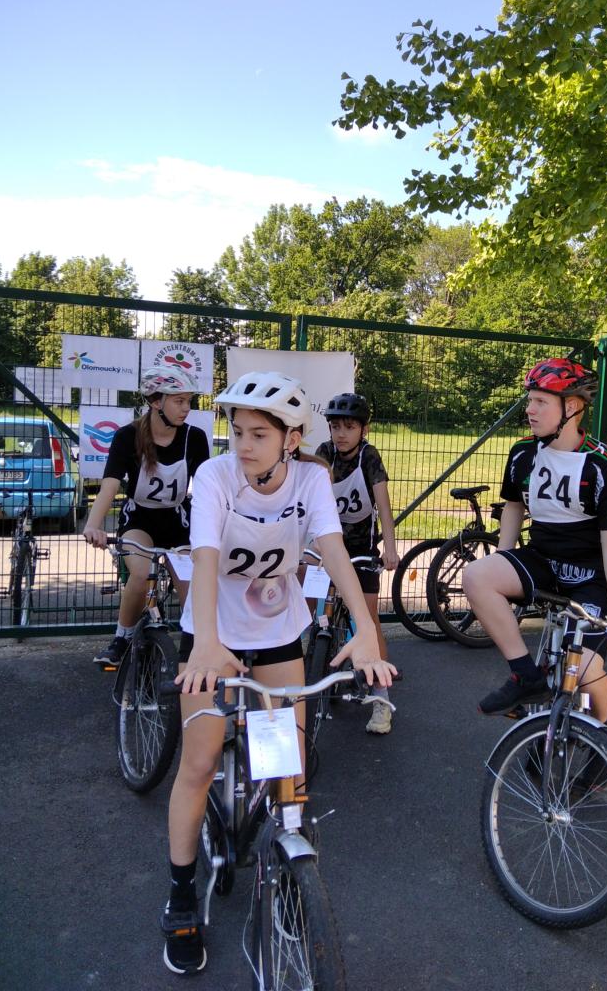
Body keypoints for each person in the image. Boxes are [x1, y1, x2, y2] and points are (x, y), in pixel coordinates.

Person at [162, 370, 395, 976]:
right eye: (237, 431)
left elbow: (334, 549)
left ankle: (288, 873)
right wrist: (206, 643)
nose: (243, 444)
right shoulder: (216, 476)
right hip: (212, 632)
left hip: (276, 632)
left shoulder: (311, 479)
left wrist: (365, 631)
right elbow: (205, 559)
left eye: (258, 435)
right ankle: (181, 894)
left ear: (291, 439)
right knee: (199, 763)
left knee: (288, 768)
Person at [463, 357, 607, 726]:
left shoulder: (600, 463)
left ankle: (601, 728)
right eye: (529, 400)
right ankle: (526, 677)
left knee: (583, 671)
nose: (529, 410)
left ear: (572, 407)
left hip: (590, 578)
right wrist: (503, 557)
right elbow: (513, 506)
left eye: (540, 402)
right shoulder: (523, 453)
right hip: (542, 561)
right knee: (476, 576)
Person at [83, 366, 209, 668]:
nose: (186, 408)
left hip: (178, 521)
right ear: (155, 402)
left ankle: (195, 651)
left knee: (192, 585)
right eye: (179, 401)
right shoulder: (128, 436)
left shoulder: (195, 438)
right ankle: (121, 638)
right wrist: (93, 525)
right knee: (139, 576)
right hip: (139, 518)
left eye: (189, 401)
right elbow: (110, 484)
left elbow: (207, 490)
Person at [316, 392, 400, 735]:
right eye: (336, 426)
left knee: (368, 617)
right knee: (305, 593)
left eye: (349, 427)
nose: (341, 434)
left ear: (364, 429)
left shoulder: (369, 456)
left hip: (362, 548)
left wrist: (390, 548)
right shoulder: (324, 453)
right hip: (328, 545)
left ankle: (381, 697)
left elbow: (383, 505)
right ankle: (313, 653)